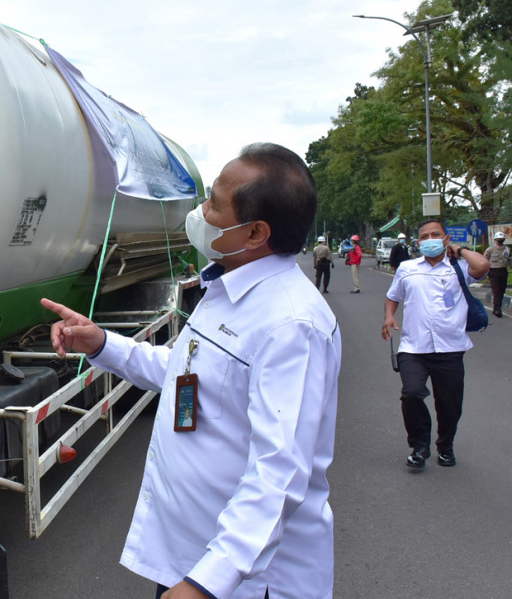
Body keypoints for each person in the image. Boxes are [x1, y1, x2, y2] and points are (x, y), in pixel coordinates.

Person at [42, 143, 341, 599]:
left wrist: (205, 584)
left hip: (243, 582)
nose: (200, 212)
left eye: (214, 204)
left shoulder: (290, 325)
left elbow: (278, 473)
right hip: (192, 558)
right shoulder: (226, 288)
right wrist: (102, 343)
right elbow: (185, 374)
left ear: (256, 232)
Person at [381, 219, 489, 470]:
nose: (430, 239)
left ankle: (446, 445)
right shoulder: (407, 268)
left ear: (446, 238)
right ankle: (419, 446)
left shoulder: (459, 267)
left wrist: (459, 250)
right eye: (425, 236)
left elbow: (483, 265)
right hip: (413, 347)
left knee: (450, 404)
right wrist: (389, 316)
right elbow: (392, 296)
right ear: (418, 242)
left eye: (436, 235)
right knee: (411, 393)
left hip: (450, 348)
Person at [483, 231, 509, 317]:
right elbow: (485, 260)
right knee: (496, 290)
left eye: (501, 239)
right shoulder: (490, 250)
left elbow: (509, 260)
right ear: (495, 240)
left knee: (502, 290)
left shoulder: (507, 249)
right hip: (493, 271)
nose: (500, 240)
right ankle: (497, 309)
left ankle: (497, 307)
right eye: (498, 239)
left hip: (503, 271)